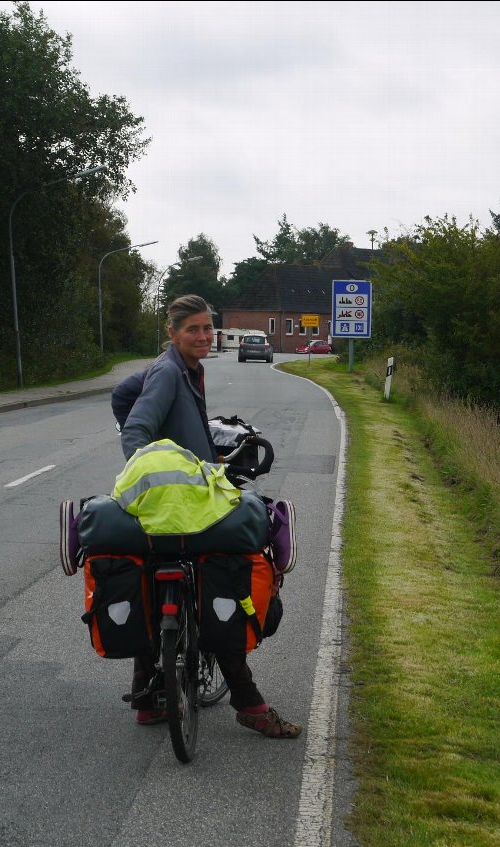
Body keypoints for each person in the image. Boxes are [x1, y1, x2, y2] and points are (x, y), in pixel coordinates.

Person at [116, 293, 301, 739]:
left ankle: (148, 698)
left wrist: (199, 452)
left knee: (157, 582)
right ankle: (249, 702)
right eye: (192, 329)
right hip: (179, 502)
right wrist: (152, 470)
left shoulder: (183, 368)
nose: (203, 336)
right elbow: (137, 425)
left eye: (207, 328)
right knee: (223, 578)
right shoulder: (167, 373)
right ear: (172, 333)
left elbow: (122, 394)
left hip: (182, 494)